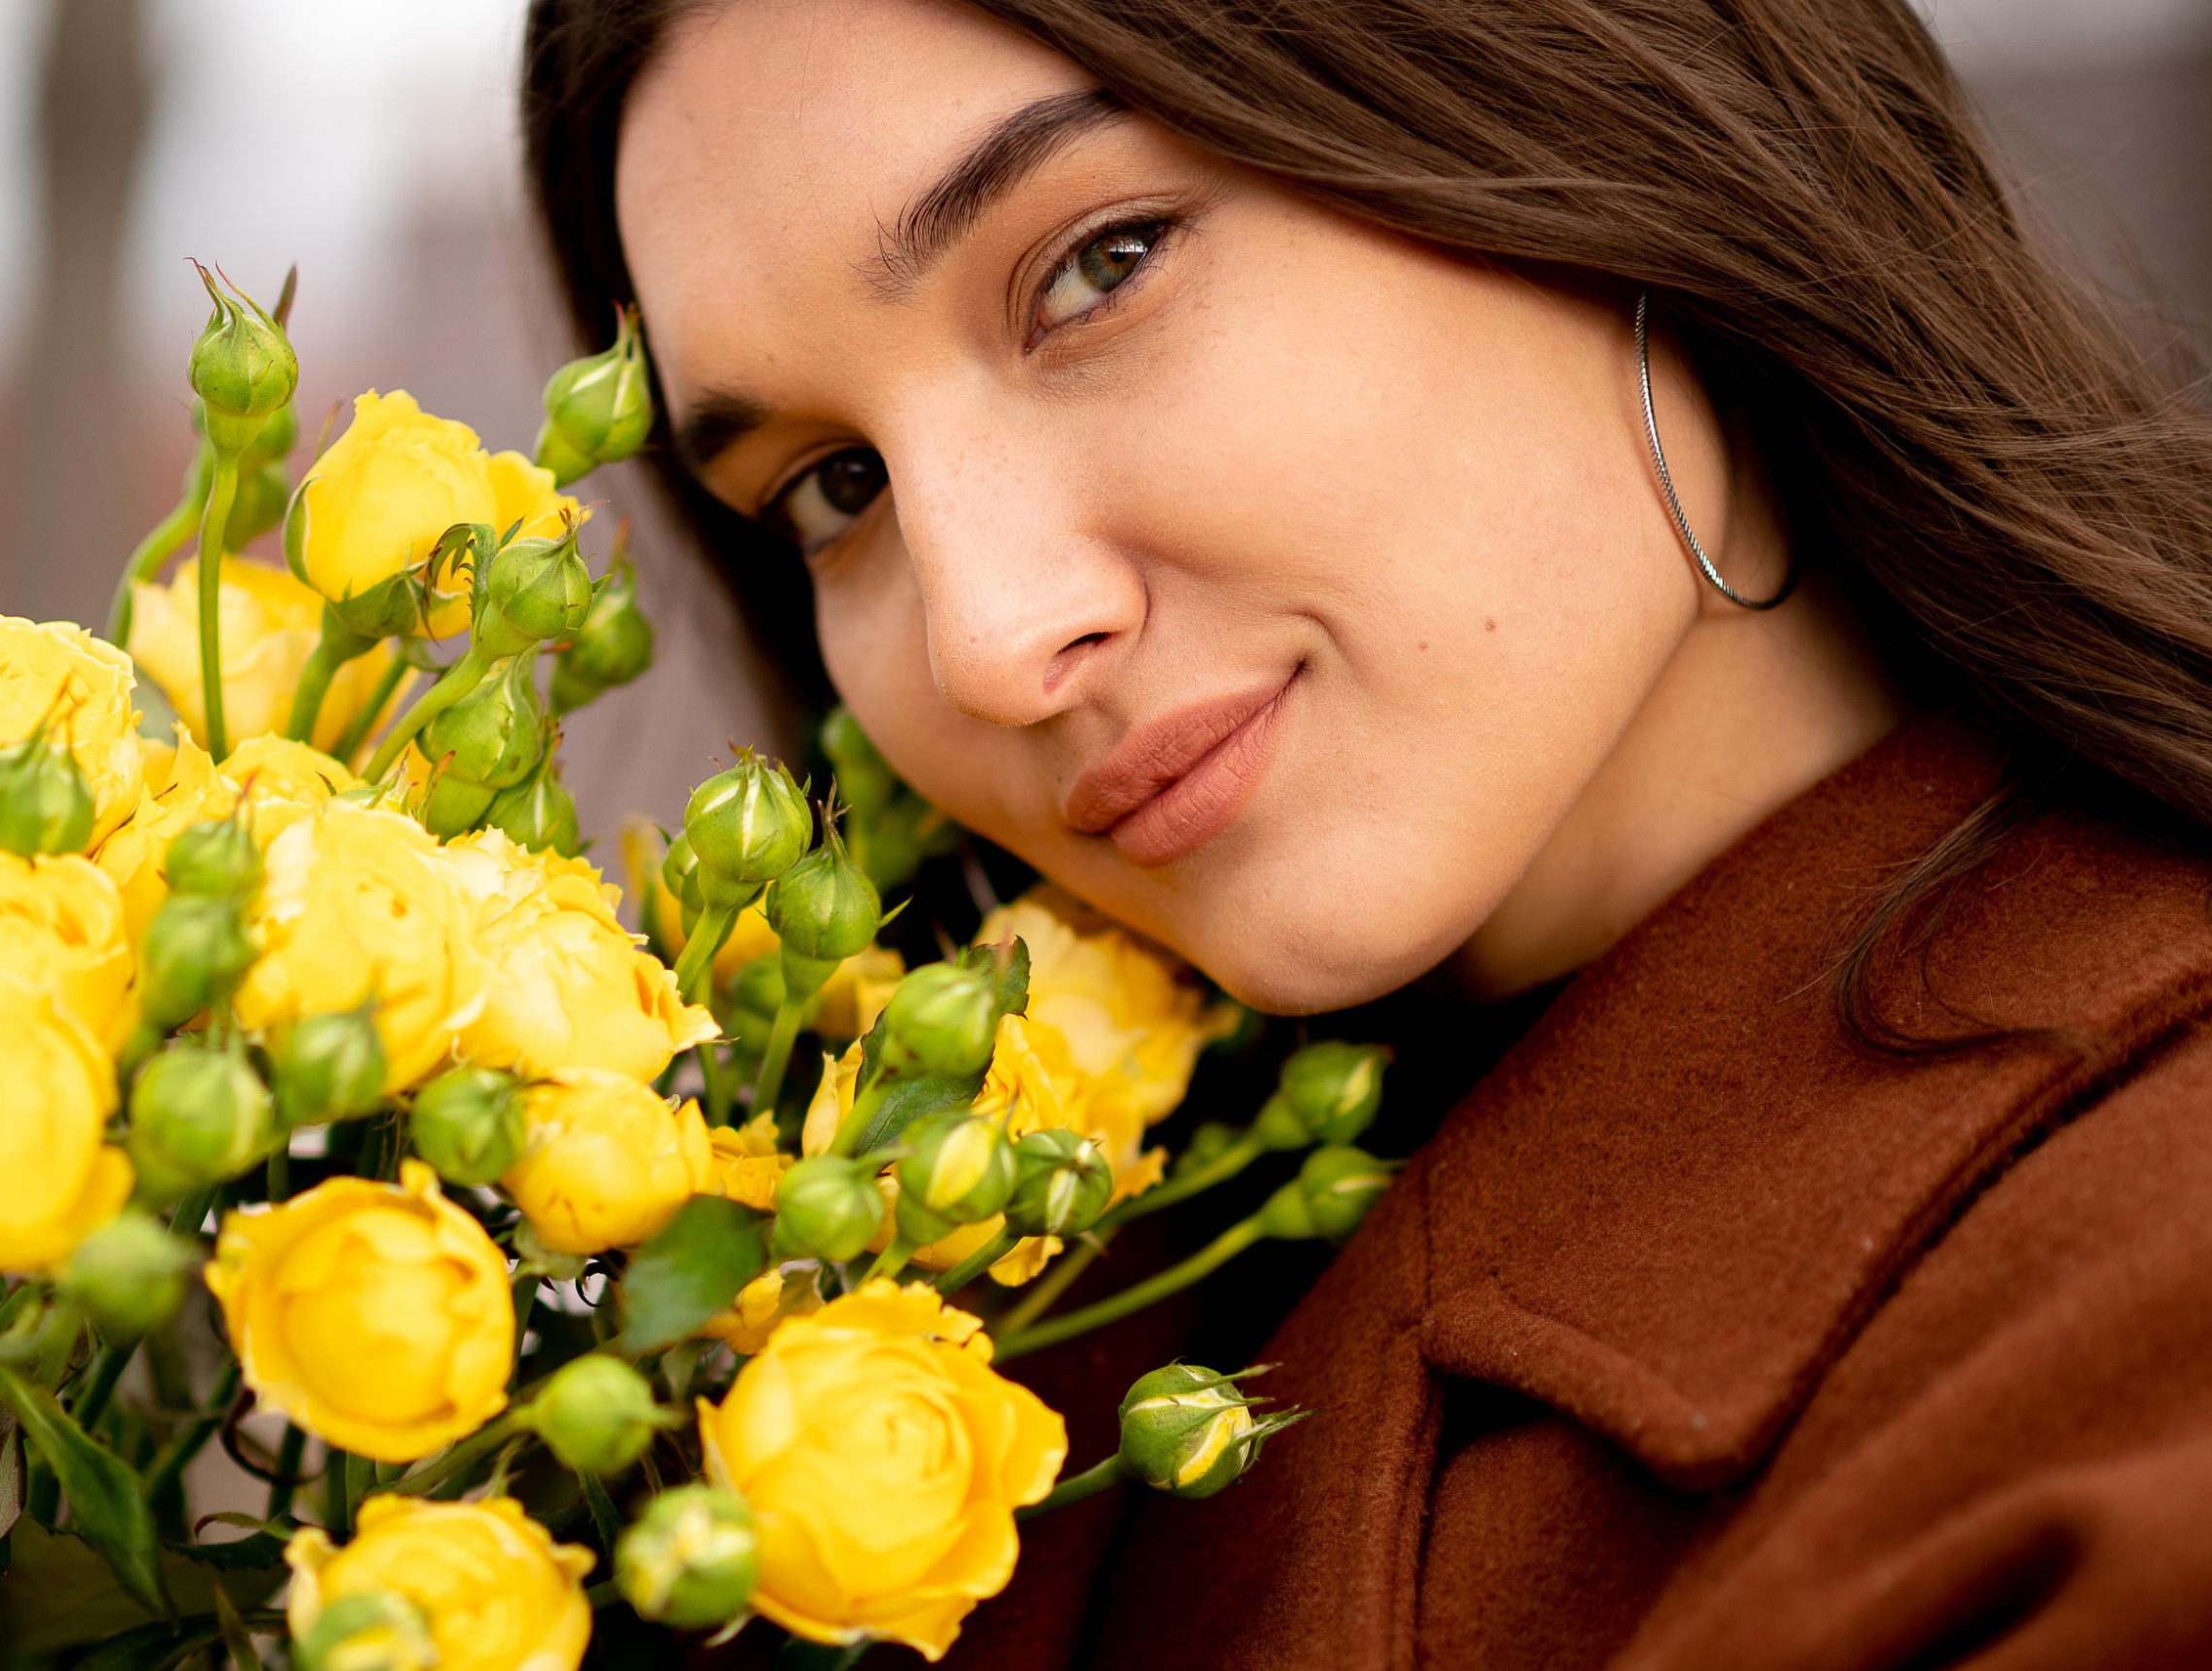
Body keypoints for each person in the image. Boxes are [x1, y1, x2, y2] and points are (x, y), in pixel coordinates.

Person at [523, 1, 2212, 1665]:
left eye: (1097, 268)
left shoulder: (2129, 1349)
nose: (988, 639)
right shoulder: (876, 1376)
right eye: (836, 486)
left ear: (1589, 103)